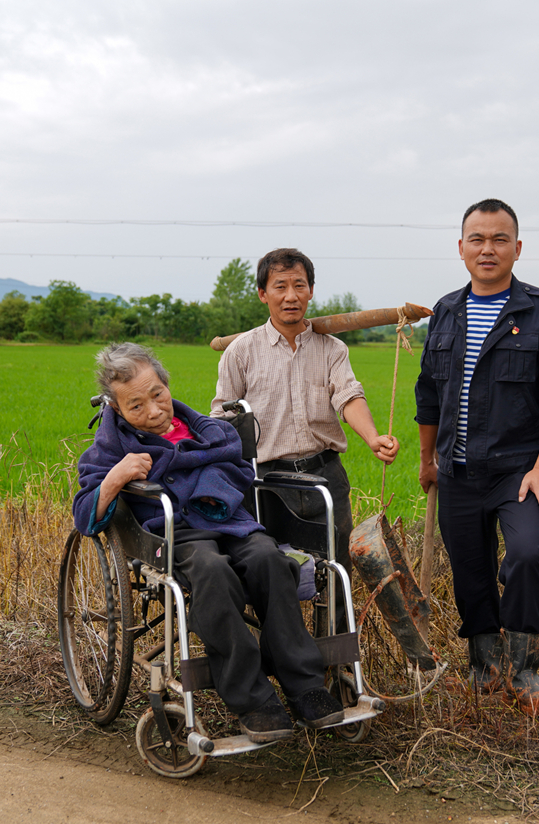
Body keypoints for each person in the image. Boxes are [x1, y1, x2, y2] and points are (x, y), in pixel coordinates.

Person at [73, 342, 344, 743]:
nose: (153, 411)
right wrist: (117, 476)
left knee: (270, 559)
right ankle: (253, 699)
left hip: (230, 522)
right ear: (116, 409)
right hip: (174, 535)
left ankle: (304, 686)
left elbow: (239, 473)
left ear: (167, 385)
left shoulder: (210, 431)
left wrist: (211, 490)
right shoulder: (112, 448)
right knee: (212, 571)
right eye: (135, 407)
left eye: (157, 395)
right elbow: (84, 516)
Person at [415, 199, 539, 717]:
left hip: (519, 472)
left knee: (528, 554)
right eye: (477, 239)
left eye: (499, 239)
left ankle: (523, 671)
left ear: (517, 248)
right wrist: (429, 459)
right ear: (462, 248)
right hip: (457, 471)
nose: (487, 249)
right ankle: (483, 668)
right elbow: (429, 393)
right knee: (470, 569)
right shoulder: (447, 312)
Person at [211, 248, 400, 631]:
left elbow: (348, 396)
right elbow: (222, 418)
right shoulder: (240, 352)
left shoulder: (332, 349)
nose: (291, 295)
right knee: (275, 576)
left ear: (311, 291)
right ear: (263, 293)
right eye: (280, 286)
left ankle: (341, 669)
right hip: (266, 484)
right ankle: (289, 662)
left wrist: (372, 437)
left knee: (337, 576)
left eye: (299, 285)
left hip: (324, 478)